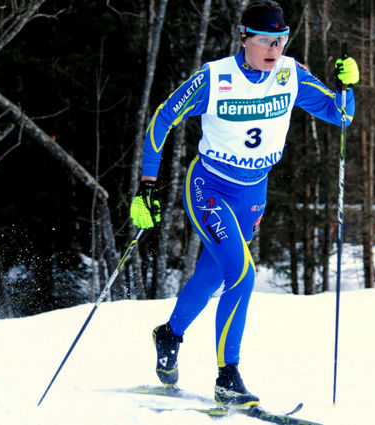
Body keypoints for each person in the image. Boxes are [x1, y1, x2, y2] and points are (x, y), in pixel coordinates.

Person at [129, 0, 359, 408]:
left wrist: (348, 86)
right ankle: (227, 375)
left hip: (253, 192)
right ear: (244, 38)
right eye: (266, 40)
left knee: (215, 274)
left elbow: (339, 115)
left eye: (282, 39)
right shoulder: (214, 78)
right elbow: (163, 117)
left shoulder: (290, 75)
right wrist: (147, 184)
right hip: (209, 187)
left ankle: (169, 334)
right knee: (244, 276)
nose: (275, 48)